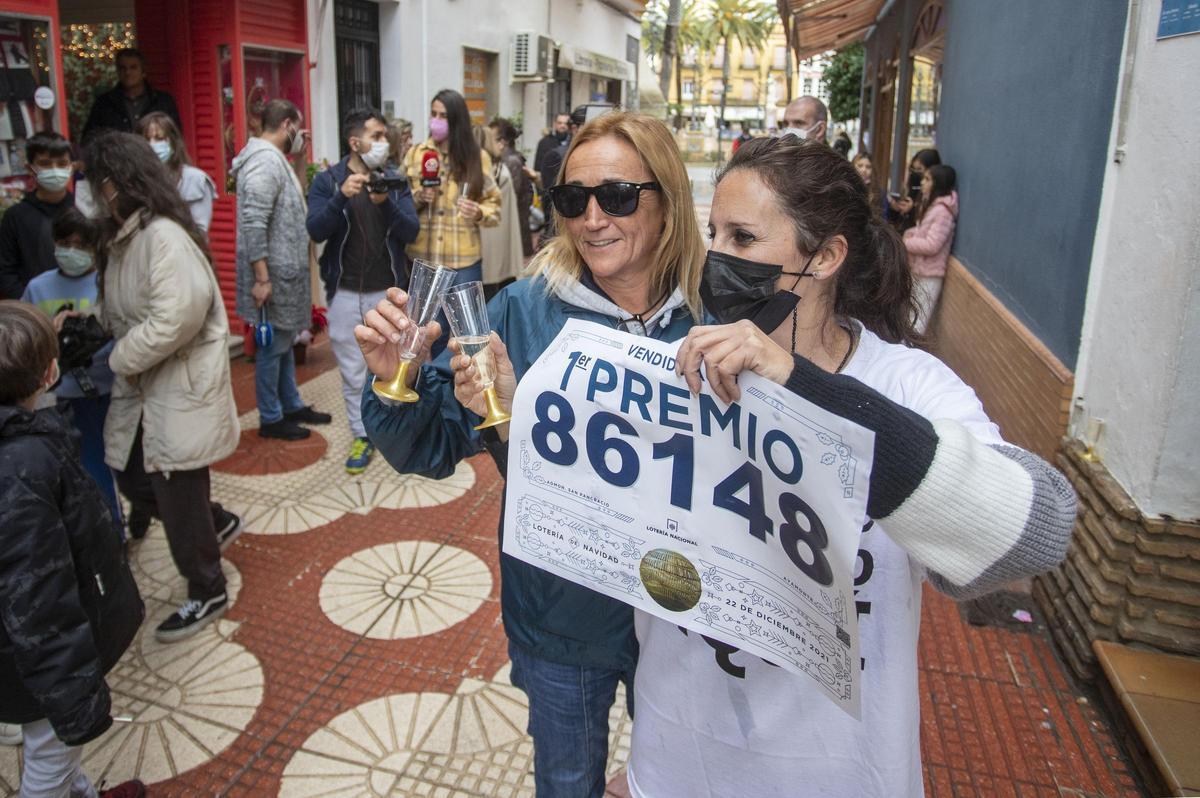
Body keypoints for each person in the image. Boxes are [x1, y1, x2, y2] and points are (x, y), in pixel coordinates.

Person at [574, 136, 1067, 797]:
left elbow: (1035, 532)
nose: (718, 258)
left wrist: (799, 384)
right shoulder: (681, 365)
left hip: (841, 776)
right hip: (675, 767)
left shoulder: (908, 387)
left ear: (827, 256)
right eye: (714, 234)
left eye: (744, 237)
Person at [358, 112, 706, 798]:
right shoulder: (523, 310)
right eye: (573, 199)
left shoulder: (716, 314)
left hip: (682, 619)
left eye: (618, 197)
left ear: (667, 198)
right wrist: (395, 383)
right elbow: (430, 444)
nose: (592, 220)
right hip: (559, 616)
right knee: (567, 780)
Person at [85, 131, 243, 643]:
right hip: (145, 389)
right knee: (133, 476)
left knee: (177, 495)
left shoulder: (162, 237)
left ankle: (207, 587)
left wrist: (119, 356)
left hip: (177, 387)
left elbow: (177, 316)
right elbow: (120, 308)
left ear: (116, 183)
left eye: (96, 182)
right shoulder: (123, 239)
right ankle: (214, 522)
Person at [0, 300, 146, 798]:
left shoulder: (28, 447)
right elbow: (38, 594)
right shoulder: (22, 466)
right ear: (50, 373)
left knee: (49, 747)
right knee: (50, 759)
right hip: (36, 663)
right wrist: (73, 692)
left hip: (20, 658)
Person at [306, 107, 419, 474]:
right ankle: (362, 434)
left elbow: (411, 231)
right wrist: (340, 197)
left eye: (385, 135)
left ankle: (396, 431)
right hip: (344, 292)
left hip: (388, 293)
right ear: (355, 143)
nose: (384, 142)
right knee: (354, 373)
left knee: (396, 366)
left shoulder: (394, 180)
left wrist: (384, 206)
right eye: (376, 136)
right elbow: (316, 230)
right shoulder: (328, 181)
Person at [232, 98, 332, 441]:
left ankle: (290, 405)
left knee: (284, 343)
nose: (299, 135)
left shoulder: (276, 159)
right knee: (272, 348)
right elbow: (253, 222)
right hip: (272, 277)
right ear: (288, 125)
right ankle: (271, 417)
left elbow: (296, 198)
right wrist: (262, 278)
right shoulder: (263, 161)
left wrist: (301, 158)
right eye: (297, 129)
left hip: (283, 274)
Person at [20, 208, 123, 526]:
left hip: (106, 388)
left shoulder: (109, 283)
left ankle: (120, 521)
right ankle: (102, 528)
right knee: (78, 465)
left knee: (111, 463)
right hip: (60, 394)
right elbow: (24, 337)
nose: (72, 251)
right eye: (66, 243)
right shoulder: (38, 288)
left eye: (81, 245)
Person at [403, 89, 500, 356]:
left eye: (443, 116)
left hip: (464, 261)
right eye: (433, 114)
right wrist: (419, 197)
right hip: (424, 259)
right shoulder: (416, 154)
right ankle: (429, 378)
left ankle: (465, 380)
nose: (436, 120)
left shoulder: (477, 157)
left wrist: (478, 211)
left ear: (456, 120)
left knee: (468, 334)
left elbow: (495, 207)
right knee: (426, 332)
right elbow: (400, 203)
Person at [0, 131, 75, 299]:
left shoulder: (83, 211)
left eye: (62, 163)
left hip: (83, 304)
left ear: (71, 166)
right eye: (45, 164)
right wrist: (29, 303)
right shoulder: (15, 217)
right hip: (33, 306)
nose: (55, 170)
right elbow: (5, 271)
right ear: (30, 169)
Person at [136, 111, 217, 234]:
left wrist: (231, 191)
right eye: (146, 140)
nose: (152, 145)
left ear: (173, 142)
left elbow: (199, 232)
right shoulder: (136, 181)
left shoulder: (194, 179)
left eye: (159, 139)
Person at [904, 163, 958, 335]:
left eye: (927, 179)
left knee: (917, 323)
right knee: (910, 318)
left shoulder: (943, 212)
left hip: (929, 275)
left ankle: (910, 351)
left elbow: (932, 245)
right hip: (920, 270)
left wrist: (906, 242)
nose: (922, 182)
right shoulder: (933, 206)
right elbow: (924, 232)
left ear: (938, 183)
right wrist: (911, 233)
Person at [81, 48, 181, 141]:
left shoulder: (162, 101)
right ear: (118, 71)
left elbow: (176, 137)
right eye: (123, 68)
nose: (128, 72)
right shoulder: (104, 104)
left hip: (152, 153)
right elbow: (89, 139)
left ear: (143, 71)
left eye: (133, 67)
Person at [474, 124, 525, 298]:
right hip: (502, 232)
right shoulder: (499, 166)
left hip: (488, 234)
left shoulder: (485, 169)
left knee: (488, 288)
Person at [489, 116, 535, 257]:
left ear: (502, 142)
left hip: (513, 224)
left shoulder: (511, 161)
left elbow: (510, 195)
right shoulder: (503, 159)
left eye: (490, 138)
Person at [889, 148, 941, 231]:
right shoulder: (913, 186)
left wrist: (912, 209)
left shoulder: (936, 200)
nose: (915, 174)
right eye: (913, 169)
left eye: (920, 169)